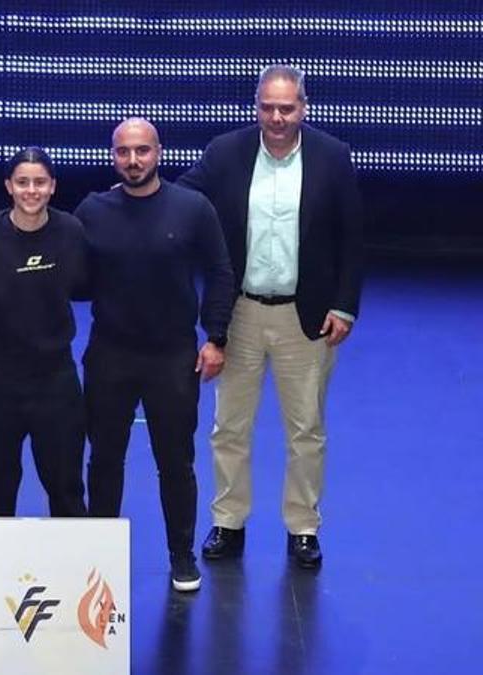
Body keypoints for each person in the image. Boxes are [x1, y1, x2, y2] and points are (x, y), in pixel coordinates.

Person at [177, 65, 364, 569]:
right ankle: (228, 521)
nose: (277, 118)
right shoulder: (225, 153)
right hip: (237, 314)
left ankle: (303, 526)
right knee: (229, 426)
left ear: (304, 106)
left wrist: (345, 305)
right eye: (268, 107)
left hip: (305, 318)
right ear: (255, 105)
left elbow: (352, 239)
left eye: (287, 108)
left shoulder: (333, 156)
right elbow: (180, 201)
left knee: (306, 429)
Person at [74, 118, 234, 592]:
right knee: (104, 460)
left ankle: (182, 556)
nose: (133, 160)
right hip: (110, 356)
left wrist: (216, 337)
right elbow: (72, 276)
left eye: (142, 151)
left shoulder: (193, 208)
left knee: (176, 462)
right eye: (124, 152)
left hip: (172, 357)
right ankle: (99, 556)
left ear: (159, 152)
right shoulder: (92, 211)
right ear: (112, 156)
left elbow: (220, 271)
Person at [0, 148, 88, 518]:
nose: (31, 190)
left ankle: (71, 570)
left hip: (56, 380)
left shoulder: (71, 231)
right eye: (22, 182)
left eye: (39, 182)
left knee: (65, 487)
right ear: (8, 186)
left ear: (52, 187)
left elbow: (86, 285)